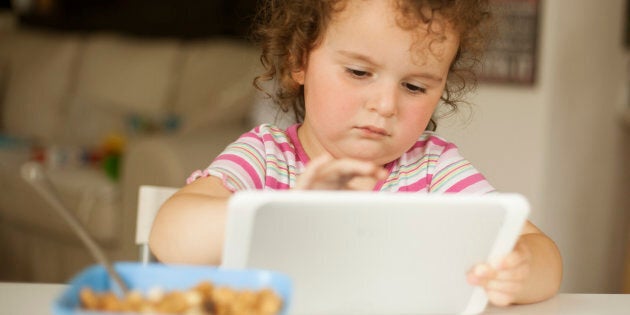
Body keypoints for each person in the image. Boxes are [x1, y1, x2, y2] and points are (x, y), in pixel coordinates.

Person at [149, 0, 562, 306]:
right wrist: (288, 208)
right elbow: (170, 237)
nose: (385, 105)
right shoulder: (265, 156)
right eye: (360, 73)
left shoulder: (433, 169)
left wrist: (518, 266)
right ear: (299, 62)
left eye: (415, 87)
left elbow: (543, 256)